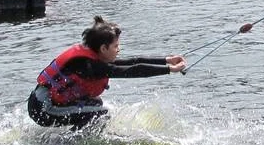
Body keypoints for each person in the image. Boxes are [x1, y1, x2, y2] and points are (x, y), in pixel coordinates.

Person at [28, 16, 186, 129]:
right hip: (44, 109)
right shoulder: (90, 66)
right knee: (100, 114)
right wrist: (169, 70)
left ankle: (69, 138)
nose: (119, 50)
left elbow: (132, 62)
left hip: (46, 103)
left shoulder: (95, 57)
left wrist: (166, 60)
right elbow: (132, 71)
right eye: (116, 46)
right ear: (103, 48)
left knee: (96, 104)